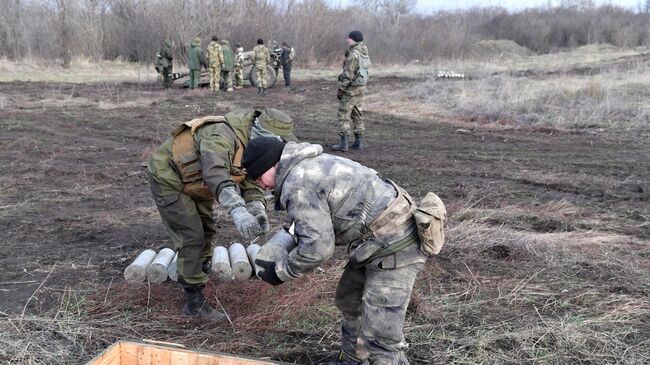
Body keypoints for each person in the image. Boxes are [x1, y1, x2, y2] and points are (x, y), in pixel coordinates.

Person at [242, 137, 445, 365]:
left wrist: (281, 271)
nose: (261, 184)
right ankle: (352, 361)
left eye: (258, 175)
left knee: (381, 336)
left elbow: (318, 247)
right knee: (351, 302)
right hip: (374, 242)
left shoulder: (297, 183)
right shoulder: (308, 163)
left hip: (396, 245)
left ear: (271, 164)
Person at [147, 109, 298, 321]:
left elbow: (250, 177)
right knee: (192, 236)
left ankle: (199, 274)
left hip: (197, 183)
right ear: (262, 133)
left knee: (207, 230)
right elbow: (215, 173)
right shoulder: (220, 137)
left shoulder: (253, 143)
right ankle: (194, 303)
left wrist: (256, 207)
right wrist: (238, 211)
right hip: (170, 180)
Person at [331, 31, 370, 152]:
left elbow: (348, 74)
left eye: (349, 38)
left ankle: (344, 144)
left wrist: (341, 89)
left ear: (354, 40)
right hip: (361, 87)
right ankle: (358, 142)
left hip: (351, 88)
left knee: (343, 114)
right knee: (357, 113)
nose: (347, 40)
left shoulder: (354, 54)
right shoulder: (364, 53)